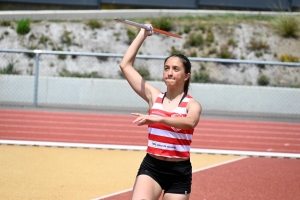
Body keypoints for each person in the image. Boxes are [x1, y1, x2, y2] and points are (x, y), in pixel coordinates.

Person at [119, 24, 202, 200]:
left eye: (175, 69)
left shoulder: (191, 104)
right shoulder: (154, 96)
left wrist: (159, 118)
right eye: (166, 68)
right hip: (152, 167)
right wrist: (142, 34)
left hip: (179, 172)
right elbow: (125, 65)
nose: (169, 73)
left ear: (187, 75)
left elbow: (190, 122)